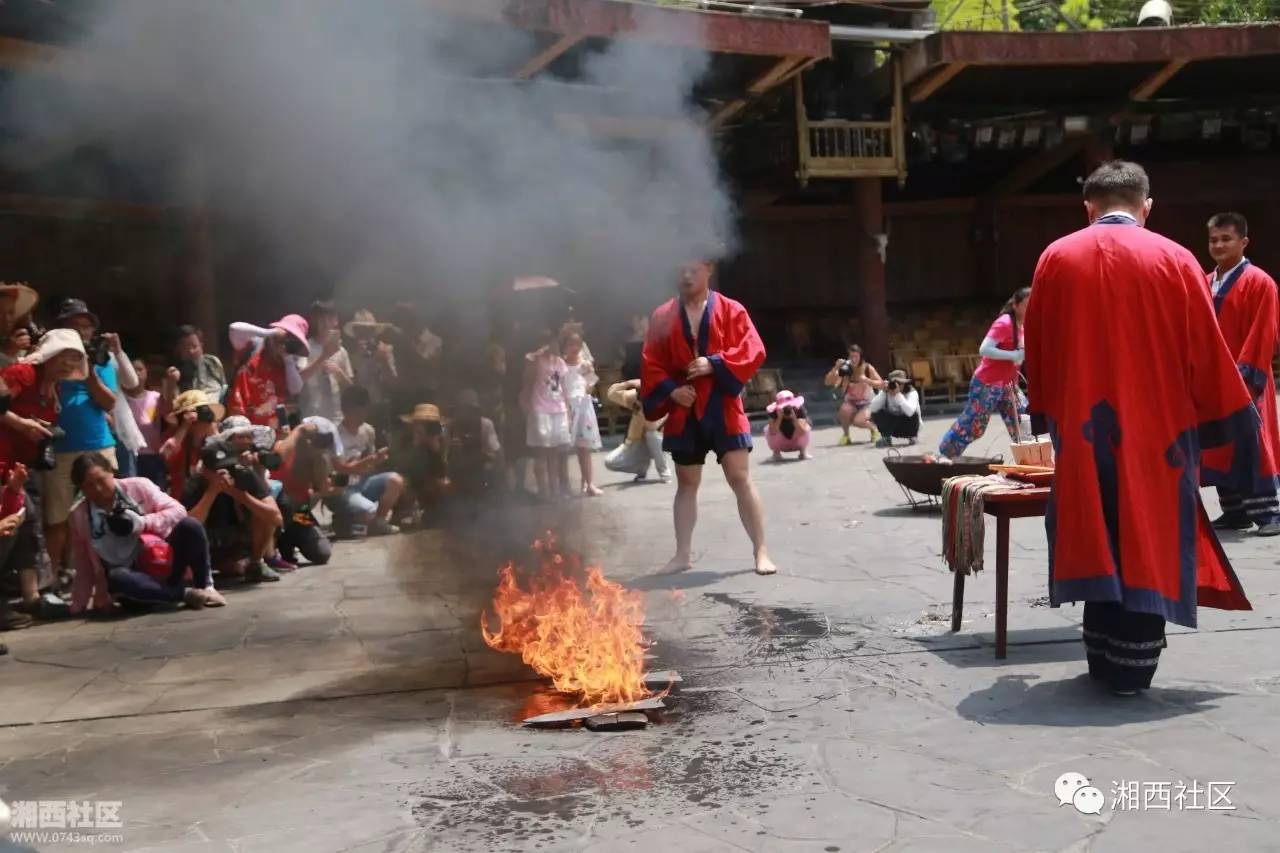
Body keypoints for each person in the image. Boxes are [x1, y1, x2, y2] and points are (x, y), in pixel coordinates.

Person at [1025, 160, 1255, 696]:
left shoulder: (1055, 258)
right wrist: (1228, 423)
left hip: (1083, 427)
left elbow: (1039, 349)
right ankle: (1133, 667)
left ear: (1088, 207)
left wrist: (1052, 414)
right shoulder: (1176, 259)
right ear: (1146, 206)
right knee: (1147, 535)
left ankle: (1103, 659)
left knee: (1095, 529)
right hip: (1159, 430)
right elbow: (1206, 350)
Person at [642, 255, 775, 576]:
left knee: (739, 477)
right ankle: (682, 554)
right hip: (684, 408)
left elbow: (753, 348)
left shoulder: (731, 309)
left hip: (723, 404)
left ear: (709, 270)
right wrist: (672, 390)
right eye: (682, 269)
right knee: (686, 483)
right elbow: (651, 362)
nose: (687, 275)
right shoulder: (662, 315)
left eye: (694, 270)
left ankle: (761, 551)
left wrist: (714, 363)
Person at [67, 451, 225, 613]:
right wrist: (78, 604)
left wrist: (142, 522)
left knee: (190, 526)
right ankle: (184, 594)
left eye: (101, 480)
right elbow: (83, 564)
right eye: (89, 486)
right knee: (118, 576)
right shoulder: (79, 515)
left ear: (111, 472)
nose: (98, 489)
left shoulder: (138, 486)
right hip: (132, 577)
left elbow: (178, 511)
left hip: (163, 558)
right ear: (82, 489)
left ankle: (206, 586)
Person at [1202, 212, 1280, 537]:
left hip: (1246, 379)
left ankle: (1269, 513)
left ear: (1243, 242)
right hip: (1212, 379)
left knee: (1251, 440)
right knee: (1219, 443)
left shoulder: (1259, 281)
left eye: (1226, 239)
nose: (1219, 245)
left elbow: (1264, 332)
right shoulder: (1203, 281)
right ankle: (1234, 511)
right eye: (1214, 239)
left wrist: (1246, 376)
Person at [0, 330, 85, 622]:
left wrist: (35, 426)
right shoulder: (23, 374)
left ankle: (31, 596)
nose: (68, 363)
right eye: (65, 355)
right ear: (50, 353)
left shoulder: (55, 389)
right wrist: (22, 424)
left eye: (75, 357)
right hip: (1, 459)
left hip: (20, 466)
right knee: (7, 528)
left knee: (26, 525)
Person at [44, 299, 123, 585]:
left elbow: (108, 402)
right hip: (59, 448)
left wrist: (89, 371)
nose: (82, 332)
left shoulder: (100, 360)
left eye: (86, 326)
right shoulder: (47, 360)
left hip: (98, 443)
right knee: (56, 518)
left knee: (110, 507)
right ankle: (52, 579)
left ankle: (116, 567)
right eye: (75, 326)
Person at [182, 416, 285, 583]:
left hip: (236, 538)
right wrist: (212, 492)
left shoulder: (243, 474)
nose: (225, 474)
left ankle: (255, 564)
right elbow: (189, 525)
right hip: (209, 541)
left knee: (262, 513)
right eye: (219, 470)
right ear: (207, 470)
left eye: (228, 467)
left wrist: (239, 495)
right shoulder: (196, 483)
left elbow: (276, 518)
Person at [938, 288, 1029, 459]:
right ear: (1016, 305)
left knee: (1023, 421)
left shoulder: (1022, 325)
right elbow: (984, 349)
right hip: (989, 383)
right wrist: (1013, 355)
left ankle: (1029, 460)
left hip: (1009, 385)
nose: (1030, 309)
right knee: (974, 425)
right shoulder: (1004, 323)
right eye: (1026, 305)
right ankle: (946, 455)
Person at [327, 386, 403, 536]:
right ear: (346, 410)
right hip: (341, 489)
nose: (362, 416)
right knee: (369, 513)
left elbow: (370, 463)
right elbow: (341, 468)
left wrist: (377, 460)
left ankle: (378, 523)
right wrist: (370, 460)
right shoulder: (335, 434)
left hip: (363, 483)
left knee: (396, 480)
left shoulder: (368, 431)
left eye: (365, 411)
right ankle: (346, 524)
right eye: (358, 412)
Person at [225, 315, 308, 427]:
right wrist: (269, 333)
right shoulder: (255, 344)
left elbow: (295, 389)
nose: (284, 343)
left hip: (275, 429)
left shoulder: (290, 360)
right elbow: (234, 328)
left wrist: (287, 358)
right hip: (245, 426)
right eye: (285, 337)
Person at [274, 420, 335, 565]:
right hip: (277, 512)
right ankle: (280, 544)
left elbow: (319, 491)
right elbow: (278, 455)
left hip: (299, 514)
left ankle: (290, 540)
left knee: (322, 552)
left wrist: (321, 490)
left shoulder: (319, 460)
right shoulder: (286, 448)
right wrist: (300, 430)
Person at [520, 329, 570, 499]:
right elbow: (527, 381)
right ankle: (543, 490)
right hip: (539, 408)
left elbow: (564, 388)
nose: (554, 346)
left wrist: (568, 410)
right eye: (551, 343)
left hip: (558, 408)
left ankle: (554, 488)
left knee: (554, 451)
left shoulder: (560, 363)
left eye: (556, 342)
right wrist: (525, 404)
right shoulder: (534, 360)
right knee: (541, 450)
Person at [159, 390, 225, 500]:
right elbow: (165, 454)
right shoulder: (173, 435)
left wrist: (213, 432)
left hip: (208, 498)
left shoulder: (211, 436)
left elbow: (224, 455)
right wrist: (184, 426)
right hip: (180, 497)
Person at [561, 328, 603, 497]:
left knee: (584, 448)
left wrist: (588, 373)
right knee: (563, 449)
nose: (575, 348)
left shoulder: (584, 363)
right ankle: (564, 486)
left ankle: (588, 483)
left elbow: (591, 384)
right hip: (566, 406)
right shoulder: (561, 364)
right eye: (571, 344)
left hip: (583, 405)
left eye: (577, 344)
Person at [297, 300, 354, 422]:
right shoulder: (305, 348)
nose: (325, 322)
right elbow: (298, 379)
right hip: (312, 418)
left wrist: (339, 373)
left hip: (337, 419)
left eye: (330, 317)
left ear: (336, 320)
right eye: (320, 318)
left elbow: (350, 388)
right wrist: (323, 357)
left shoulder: (341, 351)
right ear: (314, 321)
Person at [604, 379, 669, 483]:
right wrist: (629, 383)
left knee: (651, 435)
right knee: (609, 462)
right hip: (635, 440)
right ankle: (641, 468)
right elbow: (611, 394)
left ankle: (664, 473)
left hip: (660, 441)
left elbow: (652, 426)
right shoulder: (634, 397)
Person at [393, 403, 450, 522]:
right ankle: (403, 513)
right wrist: (416, 445)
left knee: (444, 484)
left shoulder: (440, 440)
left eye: (430, 424)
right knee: (402, 483)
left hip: (428, 481)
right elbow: (400, 466)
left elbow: (442, 472)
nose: (426, 427)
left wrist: (436, 451)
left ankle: (434, 512)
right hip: (408, 480)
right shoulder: (404, 438)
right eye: (422, 423)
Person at [825, 344, 883, 446]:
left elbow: (881, 384)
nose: (854, 359)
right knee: (843, 411)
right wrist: (836, 367)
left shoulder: (867, 368)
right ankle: (846, 436)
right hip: (851, 402)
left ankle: (874, 429)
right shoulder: (845, 369)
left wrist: (867, 380)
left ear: (860, 356)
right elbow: (828, 382)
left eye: (856, 356)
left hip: (867, 403)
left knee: (858, 421)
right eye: (851, 357)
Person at [448, 389, 502, 497]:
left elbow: (495, 451)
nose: (466, 413)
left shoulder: (485, 424)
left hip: (480, 470)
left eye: (469, 409)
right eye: (463, 409)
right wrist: (452, 447)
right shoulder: (452, 425)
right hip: (459, 471)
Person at [126, 359, 167, 489]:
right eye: (132, 370)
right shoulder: (122, 400)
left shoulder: (156, 397)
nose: (137, 373)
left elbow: (169, 415)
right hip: (130, 457)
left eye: (140, 369)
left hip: (153, 456)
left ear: (146, 373)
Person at [164, 325, 227, 404]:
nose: (191, 351)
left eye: (194, 346)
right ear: (179, 349)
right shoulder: (174, 372)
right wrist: (171, 384)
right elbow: (171, 405)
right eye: (185, 348)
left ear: (201, 345)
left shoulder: (212, 362)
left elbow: (224, 387)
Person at [868, 370, 922, 447]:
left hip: (908, 425)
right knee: (877, 413)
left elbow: (910, 412)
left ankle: (912, 436)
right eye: (894, 383)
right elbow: (873, 408)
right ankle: (886, 437)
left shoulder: (911, 392)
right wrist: (883, 392)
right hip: (893, 425)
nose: (897, 386)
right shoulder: (886, 392)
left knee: (913, 414)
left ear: (904, 383)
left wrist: (898, 395)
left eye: (900, 383)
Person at [764, 390, 812, 461]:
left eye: (790, 407)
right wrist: (779, 418)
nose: (787, 410)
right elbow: (772, 431)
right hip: (781, 442)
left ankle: (803, 452)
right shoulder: (774, 411)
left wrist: (794, 419)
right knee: (767, 429)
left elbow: (802, 431)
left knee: (806, 427)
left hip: (796, 440)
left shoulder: (798, 409)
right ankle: (776, 453)